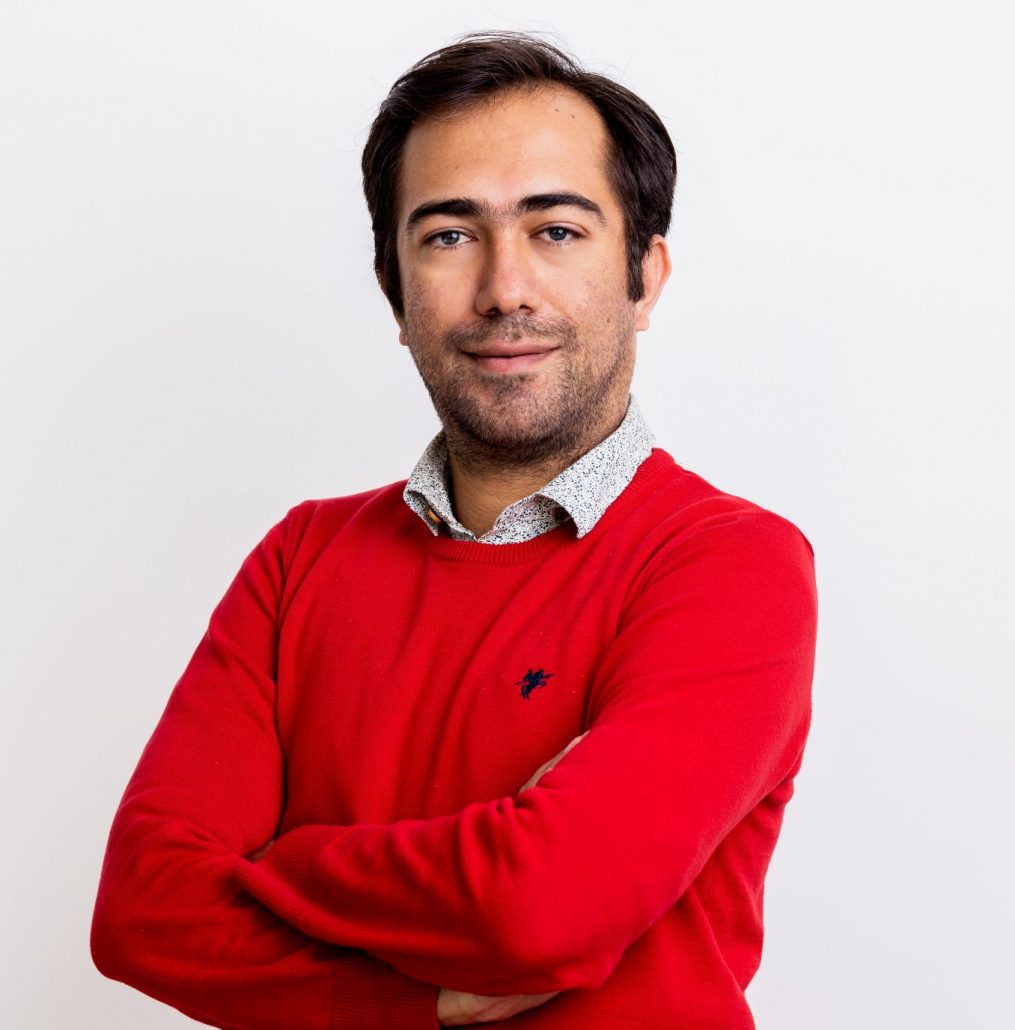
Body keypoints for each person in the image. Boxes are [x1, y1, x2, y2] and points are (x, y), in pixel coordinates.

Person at [91, 31, 818, 1030]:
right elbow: (140, 911)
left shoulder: (730, 563)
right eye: (447, 236)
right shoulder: (300, 558)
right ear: (393, 291)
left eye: (555, 230)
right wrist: (420, 996)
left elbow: (543, 908)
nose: (504, 288)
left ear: (645, 276)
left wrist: (280, 863)